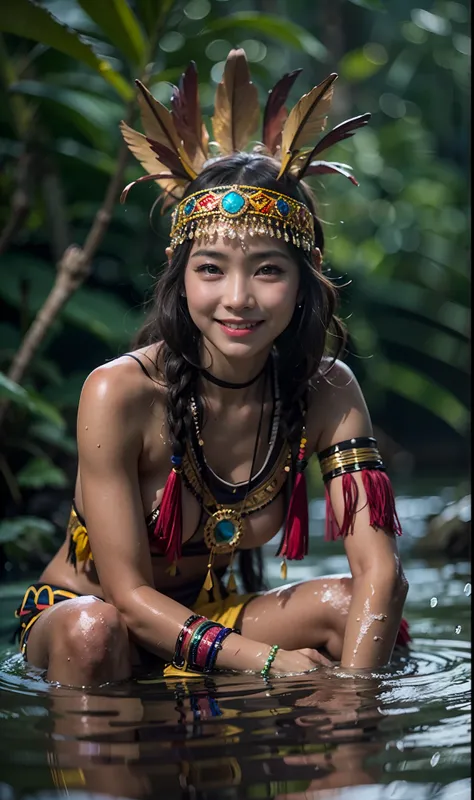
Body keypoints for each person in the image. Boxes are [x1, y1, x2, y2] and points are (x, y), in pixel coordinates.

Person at [15, 49, 409, 687]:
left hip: (212, 613)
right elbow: (128, 601)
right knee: (96, 631)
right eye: (211, 270)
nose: (238, 299)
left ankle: (347, 770)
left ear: (304, 286)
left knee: (354, 611)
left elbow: (380, 574)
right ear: (180, 280)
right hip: (97, 620)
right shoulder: (119, 391)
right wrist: (273, 663)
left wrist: (351, 705)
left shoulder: (327, 389)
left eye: (268, 270)